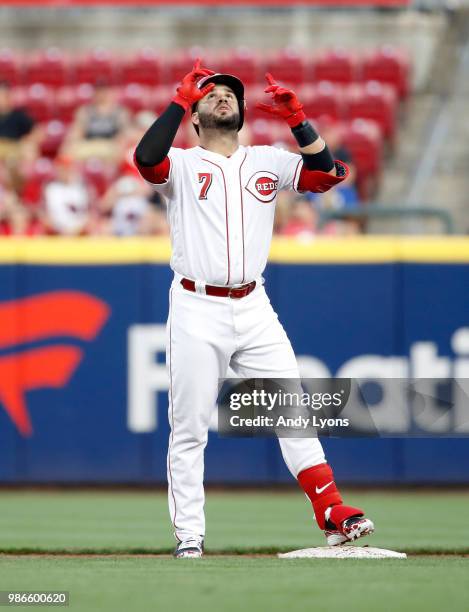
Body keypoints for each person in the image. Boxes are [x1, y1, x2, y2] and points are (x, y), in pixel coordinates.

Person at [134, 60, 374, 558]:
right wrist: (179, 101)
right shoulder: (181, 163)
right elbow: (146, 158)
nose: (223, 97)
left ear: (242, 112)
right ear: (195, 116)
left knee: (294, 408)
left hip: (253, 303)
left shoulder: (269, 159)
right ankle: (190, 538)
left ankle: (331, 512)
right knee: (190, 428)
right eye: (211, 94)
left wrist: (298, 119)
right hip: (197, 305)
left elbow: (326, 174)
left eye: (230, 94)